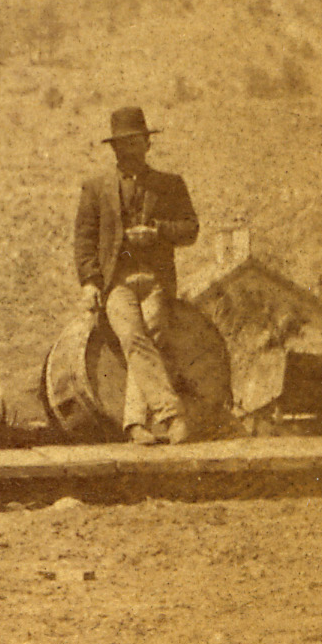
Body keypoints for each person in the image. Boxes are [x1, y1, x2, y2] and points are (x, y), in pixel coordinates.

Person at [76, 106, 202, 445]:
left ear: (148, 143)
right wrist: (89, 282)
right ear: (113, 148)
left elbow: (190, 229)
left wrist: (158, 232)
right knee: (133, 337)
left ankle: (134, 424)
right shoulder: (96, 188)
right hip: (116, 283)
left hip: (155, 280)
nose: (128, 149)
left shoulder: (170, 185)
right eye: (121, 143)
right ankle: (172, 416)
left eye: (135, 142)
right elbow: (84, 239)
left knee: (151, 336)